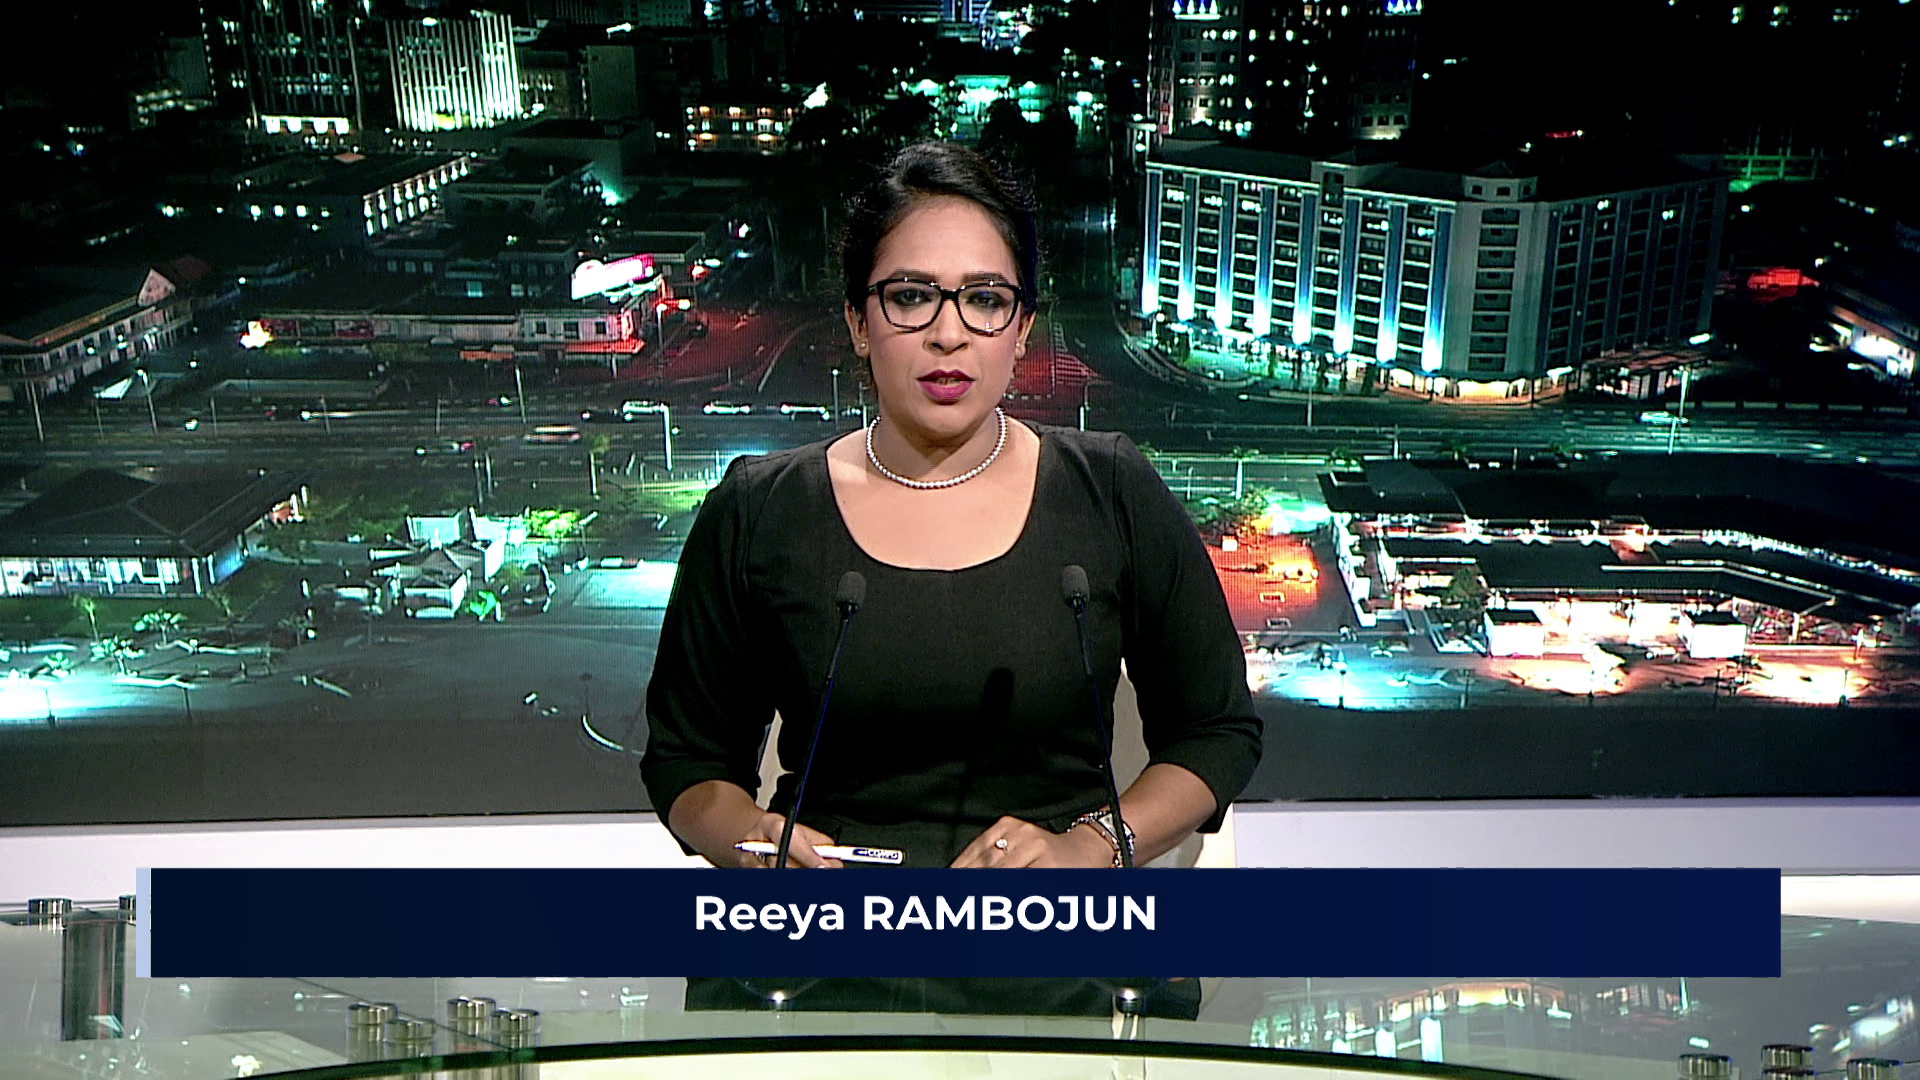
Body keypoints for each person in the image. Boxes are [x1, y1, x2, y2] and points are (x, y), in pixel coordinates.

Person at [641, 141, 1261, 869]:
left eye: (985, 299)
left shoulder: (1111, 488)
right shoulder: (759, 509)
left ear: (1021, 328)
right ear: (858, 321)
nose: (948, 333)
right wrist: (755, 845)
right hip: (827, 922)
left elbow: (1215, 731)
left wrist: (1091, 846)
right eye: (910, 297)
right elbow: (688, 761)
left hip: (1054, 923)